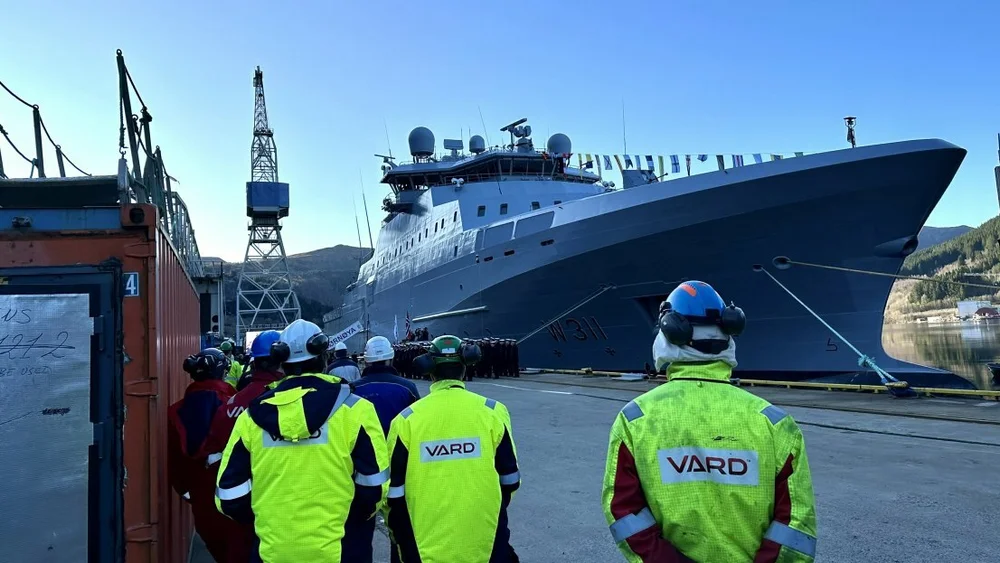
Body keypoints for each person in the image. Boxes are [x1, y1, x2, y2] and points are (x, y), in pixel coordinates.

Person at [602, 281, 817, 563]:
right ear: (728, 337)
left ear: (667, 336)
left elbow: (624, 511)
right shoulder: (775, 423)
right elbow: (796, 523)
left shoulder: (635, 419)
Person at [215, 320, 389, 562]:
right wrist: (351, 521)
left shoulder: (251, 418)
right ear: (324, 358)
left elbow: (229, 495)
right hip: (343, 549)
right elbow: (375, 487)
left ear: (281, 363)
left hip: (272, 551)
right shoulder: (356, 410)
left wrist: (265, 521)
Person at [386, 335, 521, 563]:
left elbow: (393, 493)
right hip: (486, 541)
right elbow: (510, 480)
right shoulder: (493, 411)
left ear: (430, 370)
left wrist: (400, 535)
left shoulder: (406, 420)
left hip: (423, 545)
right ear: (466, 366)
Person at [167, 348, 249, 563]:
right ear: (222, 371)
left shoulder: (175, 411)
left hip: (199, 495)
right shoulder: (233, 404)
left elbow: (175, 463)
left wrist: (186, 490)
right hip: (234, 494)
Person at [353, 336, 420, 436]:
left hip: (364, 445)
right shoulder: (408, 387)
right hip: (399, 443)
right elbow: (417, 421)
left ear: (366, 360)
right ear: (391, 358)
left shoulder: (353, 389)